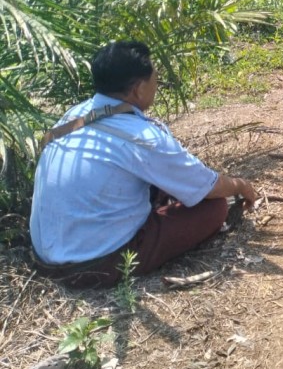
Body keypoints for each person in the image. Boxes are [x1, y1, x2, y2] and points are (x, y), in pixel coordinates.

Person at [29, 41, 258, 288]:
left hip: (45, 257)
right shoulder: (142, 137)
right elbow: (208, 187)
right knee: (214, 208)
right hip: (94, 265)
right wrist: (240, 186)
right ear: (138, 89)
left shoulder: (74, 115)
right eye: (155, 80)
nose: (157, 86)